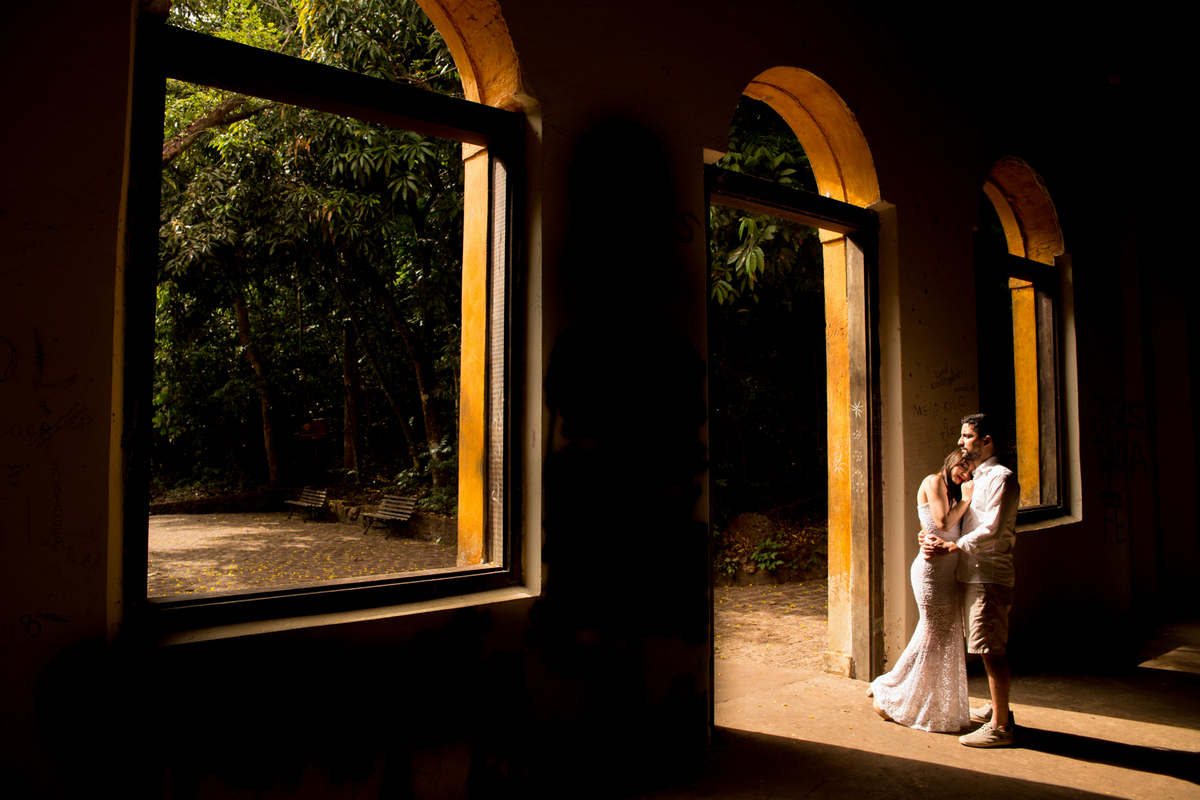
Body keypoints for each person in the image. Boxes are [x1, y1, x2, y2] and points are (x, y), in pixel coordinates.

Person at [923, 412, 1020, 748]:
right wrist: (930, 535)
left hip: (987, 575)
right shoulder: (974, 478)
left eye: (967, 436)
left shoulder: (1002, 479)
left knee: (991, 650)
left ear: (986, 440)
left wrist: (952, 546)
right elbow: (959, 520)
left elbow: (993, 529)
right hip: (974, 573)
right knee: (985, 646)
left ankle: (1001, 728)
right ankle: (997, 709)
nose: (960, 442)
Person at [869, 448, 974, 732]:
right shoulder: (934, 481)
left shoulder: (954, 493)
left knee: (936, 636)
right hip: (930, 574)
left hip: (948, 575)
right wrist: (966, 499)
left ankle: (893, 685)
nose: (965, 474)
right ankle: (892, 694)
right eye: (962, 467)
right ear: (951, 461)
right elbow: (942, 523)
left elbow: (932, 527)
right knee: (933, 637)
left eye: (969, 471)